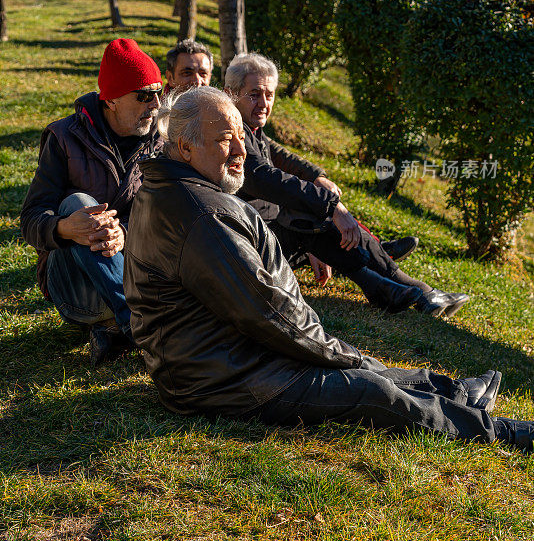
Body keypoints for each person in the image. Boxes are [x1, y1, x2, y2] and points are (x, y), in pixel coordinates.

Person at [124, 86, 533, 452]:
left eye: (240, 138)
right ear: (185, 147)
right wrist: (339, 354)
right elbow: (266, 313)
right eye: (224, 141)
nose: (240, 151)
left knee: (363, 367)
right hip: (222, 379)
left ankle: (457, 393)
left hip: (229, 358)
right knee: (368, 389)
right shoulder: (200, 214)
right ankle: (497, 432)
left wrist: (339, 353)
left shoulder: (177, 188)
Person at [224, 53, 469, 318]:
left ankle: (384, 279)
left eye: (269, 95)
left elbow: (283, 157)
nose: (263, 103)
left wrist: (317, 176)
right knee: (311, 221)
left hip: (266, 231)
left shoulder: (249, 127)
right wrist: (331, 208)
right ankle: (399, 278)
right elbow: (265, 178)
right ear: (231, 93)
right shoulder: (230, 132)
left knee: (314, 221)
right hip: (247, 243)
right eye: (254, 94)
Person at [21, 38, 163, 366]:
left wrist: (125, 233)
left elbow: (172, 217)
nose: (154, 105)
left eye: (158, 93)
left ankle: (113, 328)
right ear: (110, 100)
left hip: (144, 278)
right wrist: (64, 228)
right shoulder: (64, 137)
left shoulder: (163, 141)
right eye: (143, 96)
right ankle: (136, 325)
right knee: (80, 204)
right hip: (77, 289)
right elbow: (29, 219)